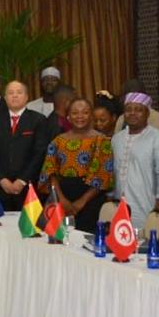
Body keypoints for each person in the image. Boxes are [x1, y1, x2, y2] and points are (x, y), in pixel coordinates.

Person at [40, 98, 114, 234]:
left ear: (91, 115)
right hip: (62, 198)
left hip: (91, 201)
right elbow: (50, 172)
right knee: (60, 240)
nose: (80, 116)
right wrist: (61, 199)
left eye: (85, 112)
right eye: (75, 113)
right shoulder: (58, 141)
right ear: (68, 116)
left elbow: (102, 176)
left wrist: (81, 202)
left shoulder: (101, 140)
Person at [110, 93, 159, 230]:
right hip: (118, 206)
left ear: (147, 113)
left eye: (138, 109)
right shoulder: (117, 139)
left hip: (147, 205)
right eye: (128, 109)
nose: (132, 113)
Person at [0, 80, 49, 211]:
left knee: (28, 229)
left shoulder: (38, 120)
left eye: (19, 92)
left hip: (28, 187)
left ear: (26, 97)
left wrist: (22, 180)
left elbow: (40, 154)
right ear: (5, 98)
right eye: (10, 93)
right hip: (1, 186)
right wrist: (2, 179)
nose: (14, 96)